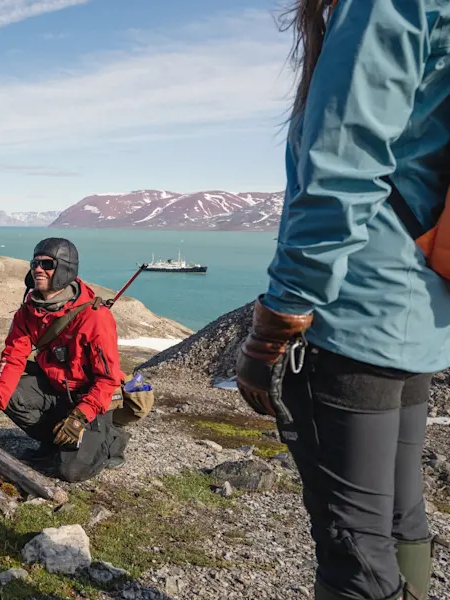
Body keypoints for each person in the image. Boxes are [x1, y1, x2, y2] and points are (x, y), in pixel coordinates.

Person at [235, 1, 450, 598]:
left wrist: (275, 324)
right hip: (419, 316)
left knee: (350, 542)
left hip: (353, 314)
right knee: (400, 515)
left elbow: (341, 167)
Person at [0, 238, 130, 483]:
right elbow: (13, 359)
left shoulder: (95, 318)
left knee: (71, 472)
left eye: (47, 264)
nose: (38, 269)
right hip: (57, 389)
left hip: (91, 399)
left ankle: (111, 439)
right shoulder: (29, 311)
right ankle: (57, 442)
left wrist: (80, 416)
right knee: (12, 395)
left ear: (65, 268)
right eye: (35, 262)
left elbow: (108, 380)